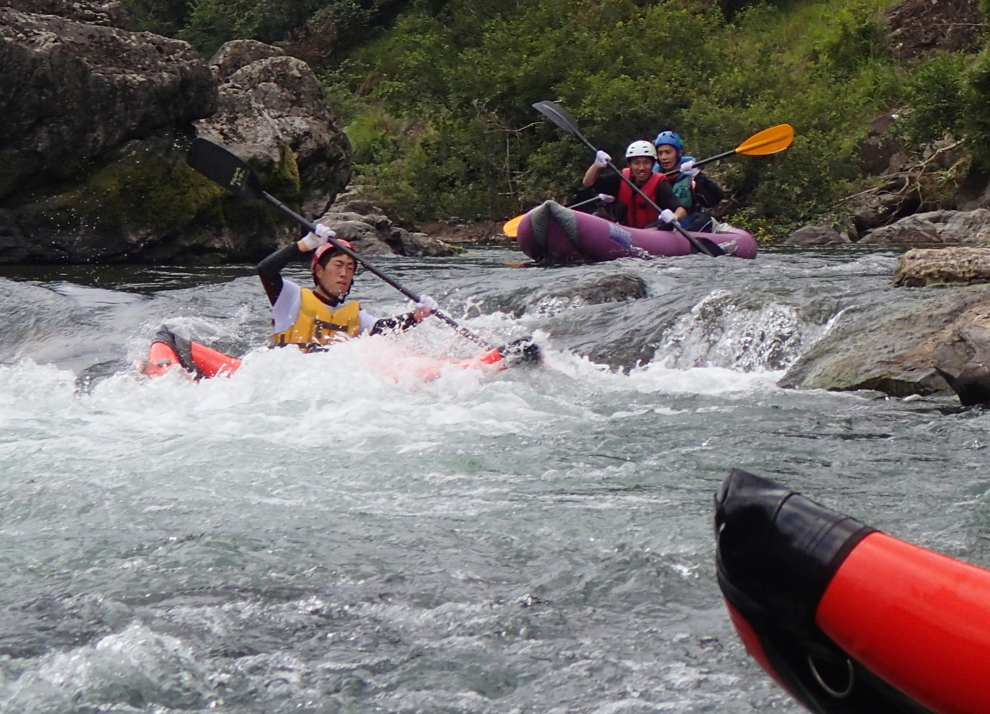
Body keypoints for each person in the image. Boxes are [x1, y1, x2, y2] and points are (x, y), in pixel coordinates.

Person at [257, 223, 439, 351]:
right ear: (319, 271)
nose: (344, 273)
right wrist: (305, 245)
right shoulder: (291, 298)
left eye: (350, 267)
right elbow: (266, 270)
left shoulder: (355, 315)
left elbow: (383, 328)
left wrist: (416, 316)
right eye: (338, 265)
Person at [582, 141, 687, 229]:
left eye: (646, 163)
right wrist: (597, 165)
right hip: (624, 231)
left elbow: (681, 210)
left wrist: (674, 217)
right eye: (636, 163)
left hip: (651, 233)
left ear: (653, 164)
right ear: (630, 164)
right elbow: (588, 182)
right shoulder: (620, 179)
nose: (641, 168)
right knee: (598, 216)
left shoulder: (660, 185)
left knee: (664, 225)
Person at [653, 130, 725, 232]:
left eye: (668, 152)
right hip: (662, 224)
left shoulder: (691, 176)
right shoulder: (653, 177)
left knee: (703, 220)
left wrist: (697, 175)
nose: (664, 157)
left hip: (690, 225)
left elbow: (715, 199)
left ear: (679, 152)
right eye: (660, 153)